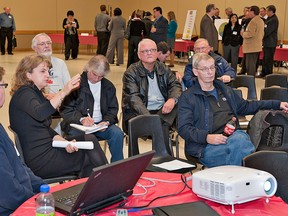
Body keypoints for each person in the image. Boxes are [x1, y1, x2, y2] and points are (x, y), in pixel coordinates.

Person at [178, 53, 288, 168]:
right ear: (195, 72)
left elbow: (247, 106)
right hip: (206, 146)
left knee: (239, 142)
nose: (210, 72)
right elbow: (183, 128)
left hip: (233, 138)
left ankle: (234, 179)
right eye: (204, 69)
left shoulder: (225, 90)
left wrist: (277, 104)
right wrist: (207, 137)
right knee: (244, 152)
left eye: (212, 67)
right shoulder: (188, 97)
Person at [9, 55, 107, 179]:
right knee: (88, 157)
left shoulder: (35, 93)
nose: (47, 75)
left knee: (90, 138)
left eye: (48, 71)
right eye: (42, 71)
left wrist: (64, 142)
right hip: (40, 160)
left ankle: (103, 184)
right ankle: (107, 184)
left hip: (49, 148)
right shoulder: (24, 93)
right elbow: (40, 114)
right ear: (28, 74)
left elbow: (44, 126)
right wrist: (64, 91)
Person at [60, 55, 124, 163]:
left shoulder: (108, 86)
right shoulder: (76, 86)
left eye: (101, 76)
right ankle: (81, 168)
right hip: (78, 125)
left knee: (117, 133)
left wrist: (106, 122)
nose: (97, 79)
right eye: (94, 74)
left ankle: (117, 166)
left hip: (100, 125)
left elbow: (113, 109)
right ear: (87, 68)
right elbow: (66, 110)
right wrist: (82, 119)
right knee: (77, 136)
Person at [0, 66, 44, 215]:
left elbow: (18, 164)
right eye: (2, 84)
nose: (3, 90)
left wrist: (44, 189)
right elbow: (8, 191)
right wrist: (34, 200)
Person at [122, 38, 182, 145]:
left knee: (180, 103)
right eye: (145, 51)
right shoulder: (131, 72)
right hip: (140, 113)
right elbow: (133, 99)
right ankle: (163, 152)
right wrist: (150, 118)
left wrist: (172, 100)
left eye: (153, 50)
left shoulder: (163, 68)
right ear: (139, 55)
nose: (149, 53)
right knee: (162, 125)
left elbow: (175, 85)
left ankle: (156, 127)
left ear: (157, 53)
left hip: (163, 111)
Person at [32, 33, 71, 97]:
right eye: (42, 44)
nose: (47, 46)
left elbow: (68, 85)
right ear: (35, 48)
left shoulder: (60, 63)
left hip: (61, 99)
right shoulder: (31, 65)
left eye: (49, 43)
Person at [241, 6, 264, 76]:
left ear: (253, 12)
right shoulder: (261, 20)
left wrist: (243, 33)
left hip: (251, 47)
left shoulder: (253, 21)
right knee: (253, 66)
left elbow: (250, 34)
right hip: (256, 46)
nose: (248, 13)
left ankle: (249, 81)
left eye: (249, 11)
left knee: (250, 67)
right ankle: (251, 80)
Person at [259, 5, 279, 78]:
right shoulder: (269, 18)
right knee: (265, 59)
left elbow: (267, 31)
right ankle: (263, 73)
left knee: (269, 59)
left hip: (270, 43)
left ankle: (268, 74)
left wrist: (260, 36)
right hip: (266, 43)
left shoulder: (274, 20)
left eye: (267, 11)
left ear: (271, 11)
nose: (266, 12)